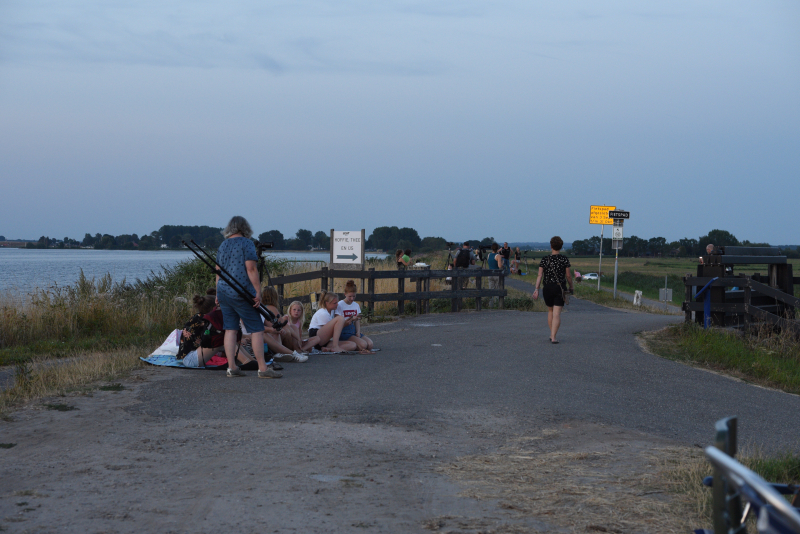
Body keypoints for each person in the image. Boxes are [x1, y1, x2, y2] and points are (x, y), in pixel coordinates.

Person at [215, 215, 281, 378]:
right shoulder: (246, 243)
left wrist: (217, 292)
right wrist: (257, 291)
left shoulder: (223, 245)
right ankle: (263, 369)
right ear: (245, 228)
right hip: (242, 292)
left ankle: (232, 367)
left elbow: (218, 270)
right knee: (256, 329)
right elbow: (251, 269)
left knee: (230, 329)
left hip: (224, 290)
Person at [532, 236, 573, 344]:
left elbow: (539, 275)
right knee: (557, 314)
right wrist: (571, 286)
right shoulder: (564, 259)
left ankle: (552, 334)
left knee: (550, 311)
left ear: (551, 246)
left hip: (547, 288)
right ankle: (554, 336)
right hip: (560, 287)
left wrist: (536, 289)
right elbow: (568, 275)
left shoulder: (545, 259)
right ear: (561, 246)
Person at [258, 286, 307, 363]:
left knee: (291, 327)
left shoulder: (262, 307)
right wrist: (298, 338)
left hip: (269, 334)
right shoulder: (271, 308)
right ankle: (294, 351)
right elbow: (283, 324)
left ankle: (294, 350)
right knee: (289, 330)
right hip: (272, 335)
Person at [336, 280, 374, 352]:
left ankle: (355, 344)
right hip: (344, 331)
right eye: (350, 296)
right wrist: (351, 319)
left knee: (370, 344)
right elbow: (337, 323)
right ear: (345, 294)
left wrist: (358, 332)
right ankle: (349, 345)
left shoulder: (356, 305)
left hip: (353, 330)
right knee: (363, 345)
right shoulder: (340, 305)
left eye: (354, 296)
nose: (352, 299)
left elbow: (357, 321)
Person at [486, 243, 502, 307]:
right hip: (497, 274)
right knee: (498, 289)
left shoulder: (489, 255)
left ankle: (491, 304)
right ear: (497, 248)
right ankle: (498, 304)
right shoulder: (498, 256)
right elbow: (499, 266)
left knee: (491, 289)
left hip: (490, 273)